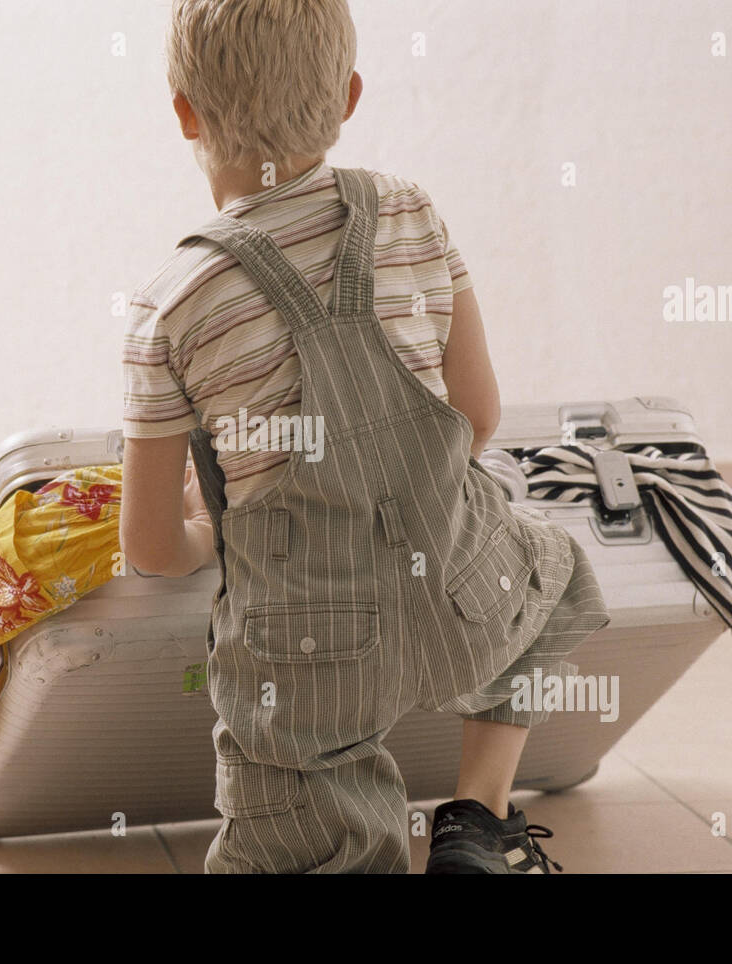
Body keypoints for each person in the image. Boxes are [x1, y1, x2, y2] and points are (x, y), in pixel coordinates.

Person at [119, 0, 609, 873]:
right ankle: (476, 824)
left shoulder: (173, 301)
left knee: (303, 846)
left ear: (183, 110)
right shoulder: (410, 212)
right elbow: (478, 415)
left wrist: (209, 528)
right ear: (348, 97)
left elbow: (152, 548)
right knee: (559, 582)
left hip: (308, 664)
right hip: (462, 594)